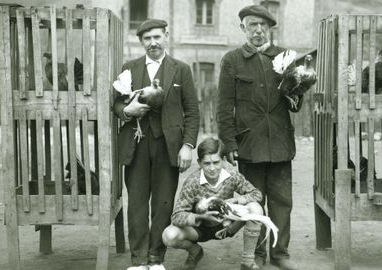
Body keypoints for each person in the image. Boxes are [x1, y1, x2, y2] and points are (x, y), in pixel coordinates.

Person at [216, 5, 301, 270]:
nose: (258, 30)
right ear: (243, 28)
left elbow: (296, 104)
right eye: (252, 25)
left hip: (280, 143)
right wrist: (229, 143)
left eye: (263, 25)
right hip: (248, 144)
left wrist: (296, 96)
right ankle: (257, 254)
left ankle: (280, 253)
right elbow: (223, 106)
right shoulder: (232, 60)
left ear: (270, 28)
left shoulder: (285, 59)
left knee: (282, 201)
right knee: (254, 201)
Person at [113, 19, 200, 270]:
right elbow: (116, 103)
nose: (153, 42)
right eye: (147, 38)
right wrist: (127, 110)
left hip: (168, 145)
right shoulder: (129, 68)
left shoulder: (181, 69)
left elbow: (192, 111)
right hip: (136, 144)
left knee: (163, 203)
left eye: (157, 37)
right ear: (141, 42)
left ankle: (155, 258)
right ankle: (139, 260)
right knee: (137, 203)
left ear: (166, 37)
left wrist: (188, 145)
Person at [162, 137, 264, 270]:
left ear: (223, 160)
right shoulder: (193, 182)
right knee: (169, 235)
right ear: (199, 163)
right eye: (207, 163)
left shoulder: (232, 175)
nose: (212, 168)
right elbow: (176, 216)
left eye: (216, 162)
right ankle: (195, 251)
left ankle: (248, 261)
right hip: (199, 229)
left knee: (255, 208)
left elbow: (257, 194)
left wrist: (236, 200)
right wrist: (200, 217)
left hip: (227, 224)